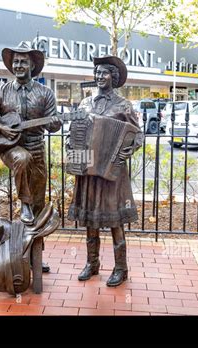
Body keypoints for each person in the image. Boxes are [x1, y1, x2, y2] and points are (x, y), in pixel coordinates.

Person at [0, 46, 62, 272]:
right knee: (21, 160)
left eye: (23, 62)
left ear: (33, 65)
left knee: (39, 210)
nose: (19, 66)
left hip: (38, 151)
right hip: (12, 149)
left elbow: (54, 125)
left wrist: (54, 123)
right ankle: (24, 203)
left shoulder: (45, 94)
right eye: (16, 62)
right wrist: (0, 128)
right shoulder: (1, 92)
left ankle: (34, 258)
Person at [67, 56, 142, 287]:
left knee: (115, 220)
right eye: (97, 73)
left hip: (112, 171)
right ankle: (92, 263)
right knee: (90, 218)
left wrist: (124, 153)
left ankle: (121, 268)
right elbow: (74, 131)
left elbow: (137, 136)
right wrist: (72, 149)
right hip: (88, 168)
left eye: (105, 73)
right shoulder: (85, 104)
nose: (100, 77)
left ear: (114, 77)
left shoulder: (123, 105)